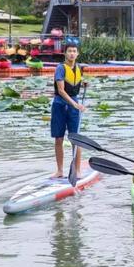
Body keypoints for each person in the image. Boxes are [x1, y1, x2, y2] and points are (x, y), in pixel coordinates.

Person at [50, 43, 86, 179]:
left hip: (74, 105)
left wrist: (84, 83)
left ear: (77, 54)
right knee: (59, 138)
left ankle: (77, 171)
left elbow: (73, 84)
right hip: (60, 105)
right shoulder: (60, 68)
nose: (72, 53)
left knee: (76, 139)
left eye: (74, 51)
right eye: (69, 51)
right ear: (65, 53)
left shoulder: (79, 68)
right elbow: (61, 90)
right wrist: (74, 104)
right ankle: (60, 171)